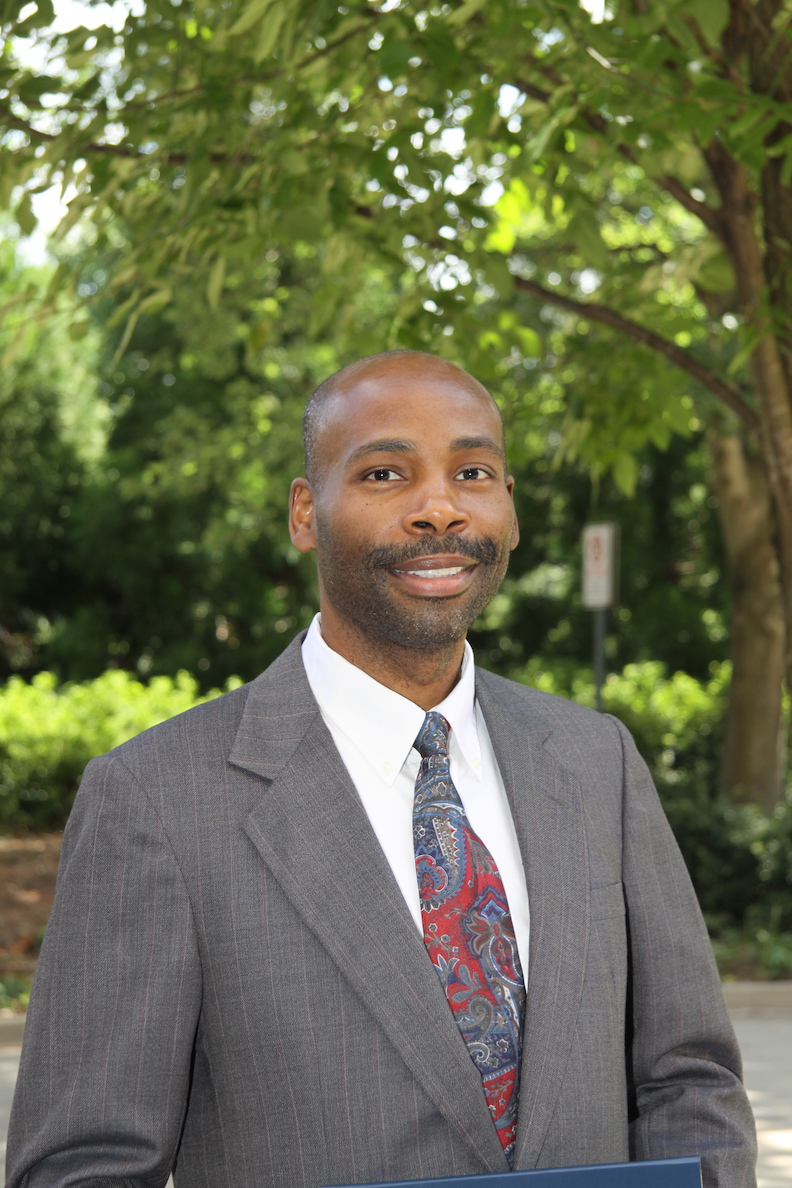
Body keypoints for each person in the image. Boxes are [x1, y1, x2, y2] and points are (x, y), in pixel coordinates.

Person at [7, 350, 756, 1188]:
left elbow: (689, 1081)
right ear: (305, 513)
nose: (439, 508)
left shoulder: (596, 763)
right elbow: (83, 1166)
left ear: (509, 507)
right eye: (385, 474)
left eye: (472, 473)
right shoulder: (156, 799)